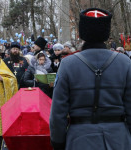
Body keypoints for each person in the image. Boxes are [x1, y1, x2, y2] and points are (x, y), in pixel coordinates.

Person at [50, 8, 131, 150]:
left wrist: (58, 142)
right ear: (106, 33)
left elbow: (58, 112)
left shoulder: (68, 64)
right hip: (118, 138)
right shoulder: (125, 63)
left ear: (81, 34)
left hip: (79, 139)